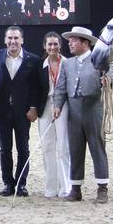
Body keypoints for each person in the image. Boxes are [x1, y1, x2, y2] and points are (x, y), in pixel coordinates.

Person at [51, 26, 113, 204]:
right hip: (73, 112)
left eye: (74, 40)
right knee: (75, 149)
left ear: (85, 42)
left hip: (93, 109)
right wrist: (57, 105)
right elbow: (60, 88)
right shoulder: (67, 64)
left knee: (97, 148)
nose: (70, 43)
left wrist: (108, 81)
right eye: (70, 40)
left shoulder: (100, 60)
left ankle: (102, 188)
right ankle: (75, 189)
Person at [0, 26, 45, 197]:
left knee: (23, 149)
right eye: (10, 38)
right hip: (2, 111)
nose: (13, 41)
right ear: (4, 40)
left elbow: (36, 87)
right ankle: (8, 183)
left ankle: (21, 184)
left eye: (16, 38)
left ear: (22, 40)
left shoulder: (33, 60)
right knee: (4, 149)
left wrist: (33, 107)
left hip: (24, 113)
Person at [38, 32, 71, 199]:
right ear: (45, 46)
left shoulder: (68, 64)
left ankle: (66, 187)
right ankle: (51, 187)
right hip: (45, 108)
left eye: (55, 44)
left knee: (63, 147)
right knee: (47, 146)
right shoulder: (40, 65)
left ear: (60, 45)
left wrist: (60, 105)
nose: (52, 47)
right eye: (49, 44)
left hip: (63, 107)